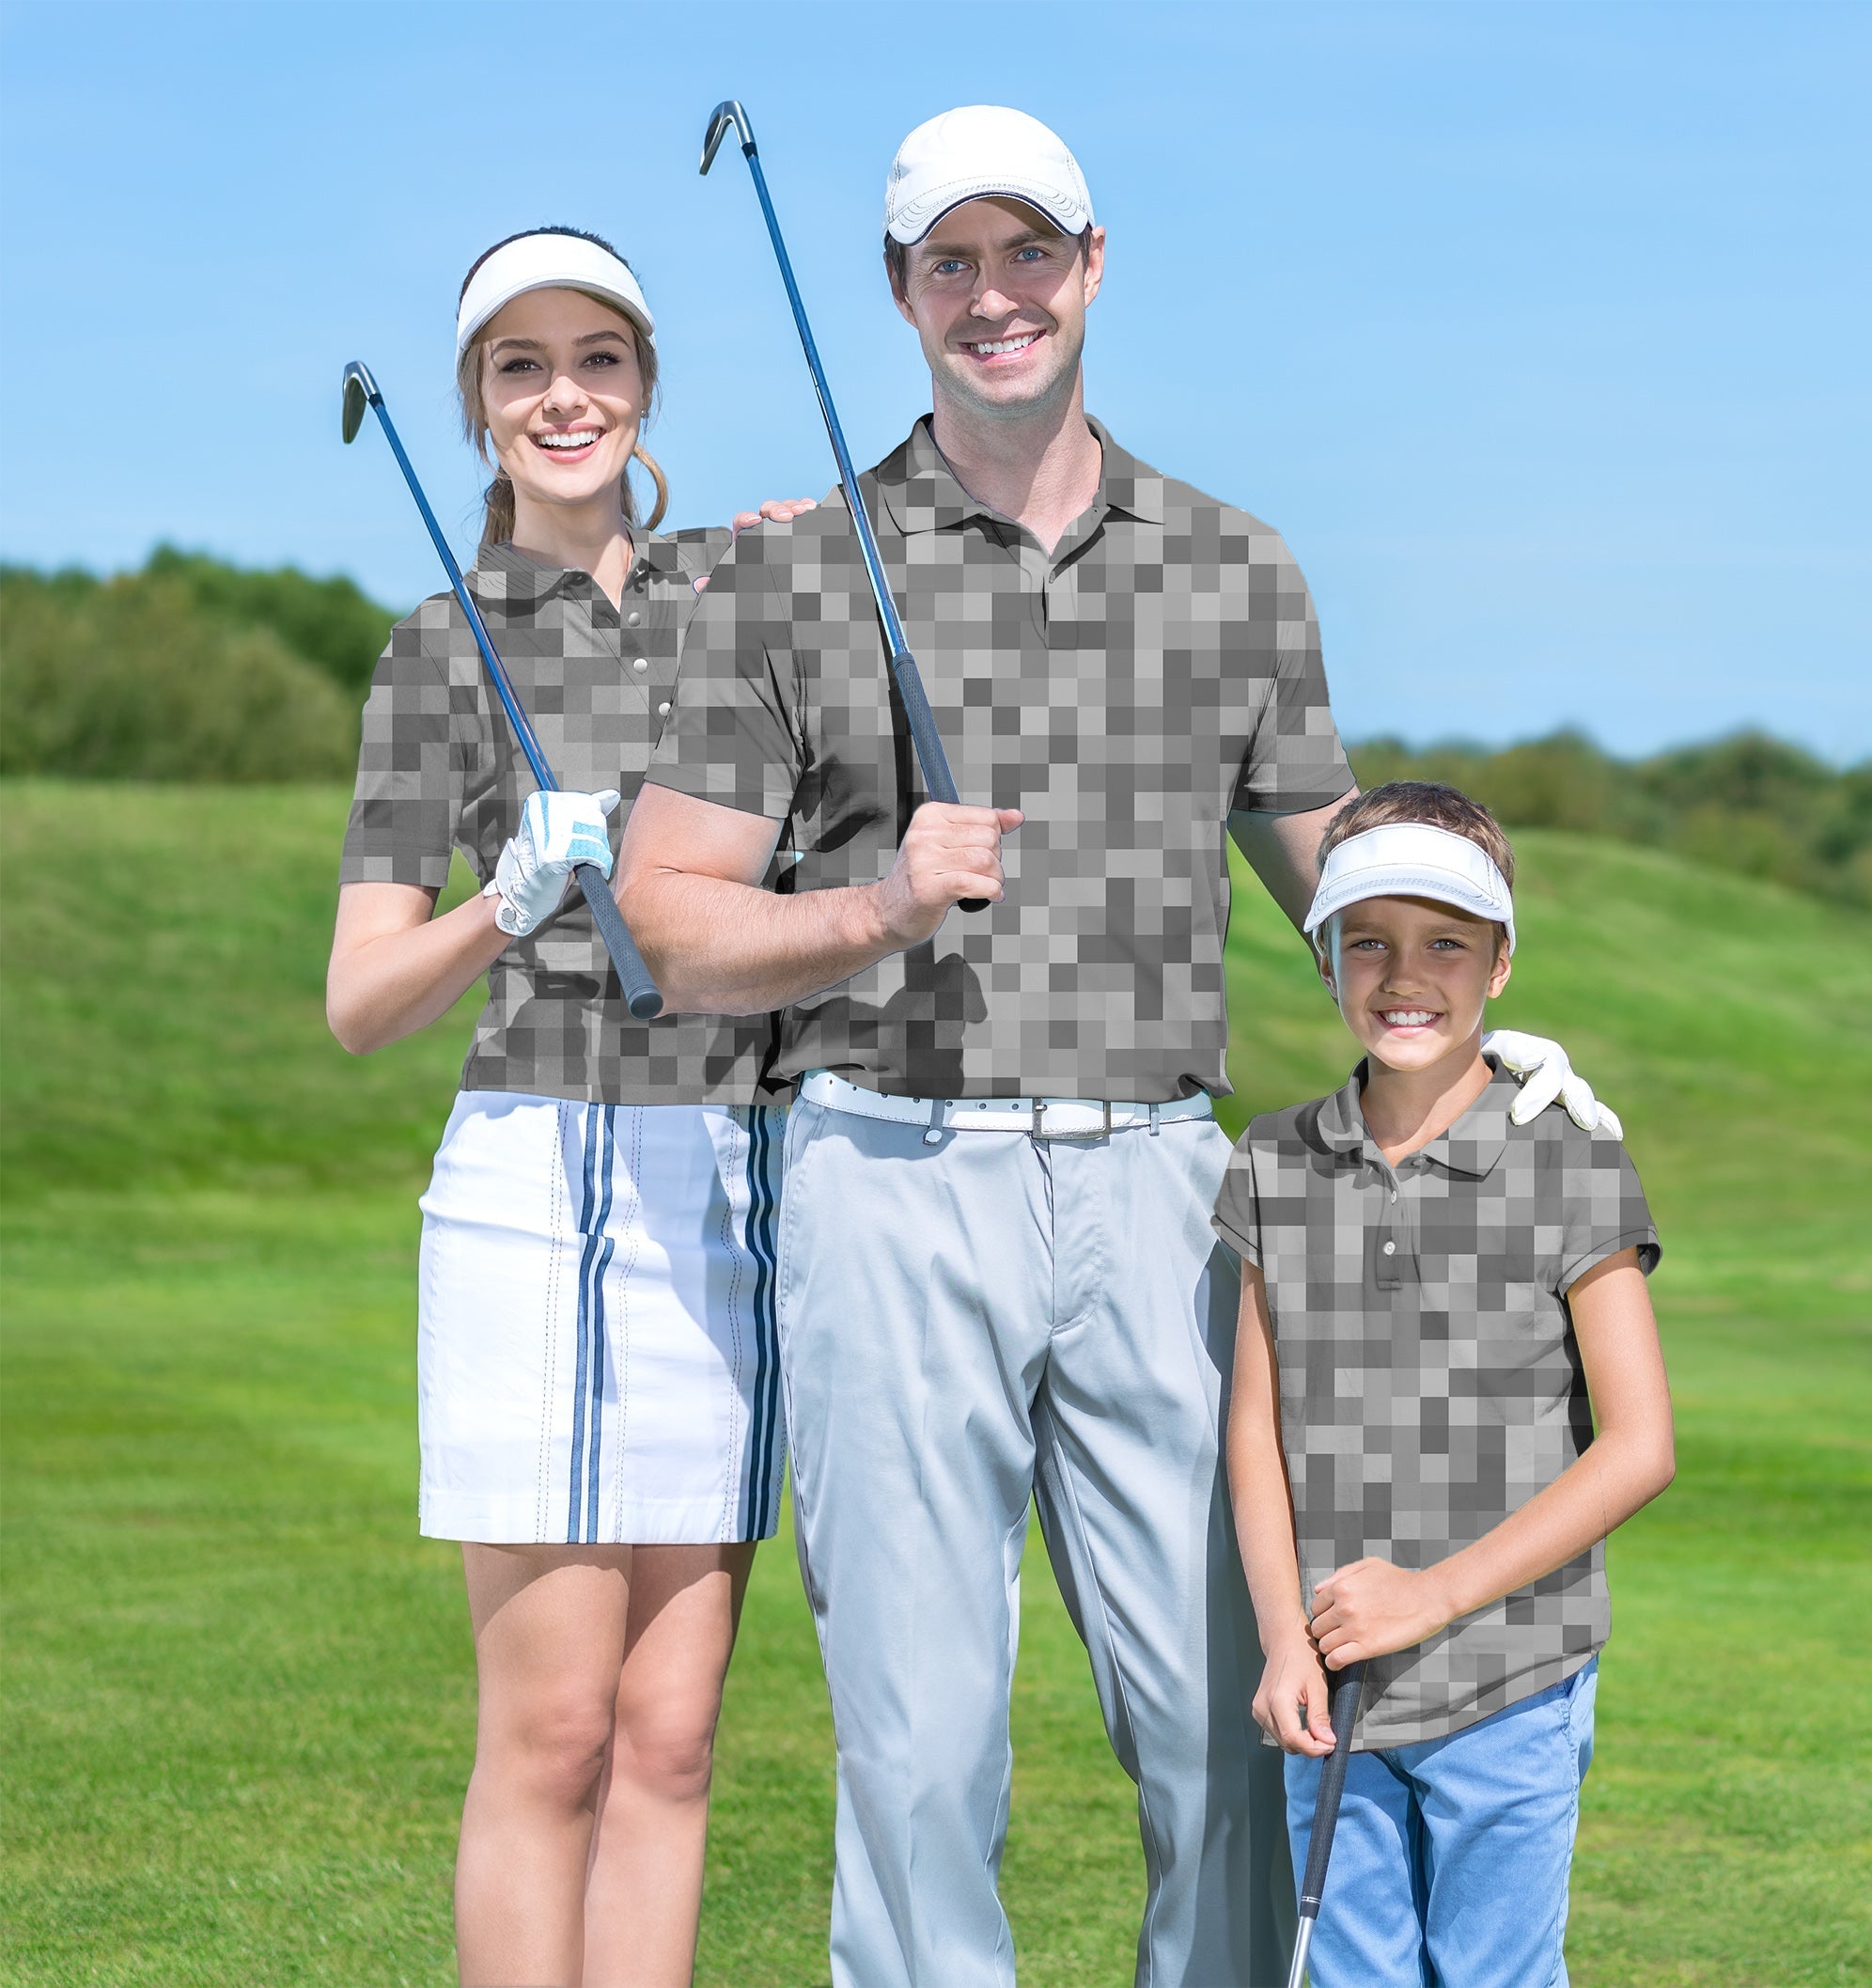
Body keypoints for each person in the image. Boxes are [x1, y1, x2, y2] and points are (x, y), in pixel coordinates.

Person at [616, 109, 1611, 1986]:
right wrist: (865, 910)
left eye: (1028, 253)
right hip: (885, 1172)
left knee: (1235, 1719)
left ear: (1091, 263)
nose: (995, 296)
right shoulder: (791, 569)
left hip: (1168, 1192)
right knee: (919, 1752)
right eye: (950, 263)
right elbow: (669, 915)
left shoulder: (1238, 569)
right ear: (900, 292)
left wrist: (1485, 1009)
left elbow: (1339, 879)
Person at [327, 227, 811, 1988]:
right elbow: (361, 999)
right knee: (553, 1736)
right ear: (475, 405)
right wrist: (502, 901)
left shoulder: (746, 601)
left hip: (719, 1179)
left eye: (596, 358)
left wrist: (793, 553)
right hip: (534, 1178)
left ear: (645, 385)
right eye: (520, 366)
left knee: (673, 1735)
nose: (564, 396)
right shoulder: (431, 653)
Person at [1216, 781, 1677, 1988]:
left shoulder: (1570, 1155)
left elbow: (1639, 1446)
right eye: (1367, 939)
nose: (1403, 974)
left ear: (1500, 966)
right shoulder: (1273, 1159)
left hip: (1510, 1677)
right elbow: (1253, 1427)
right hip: (1333, 1684)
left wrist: (1430, 1598)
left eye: (1445, 944)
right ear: (1323, 956)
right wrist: (1281, 1639)